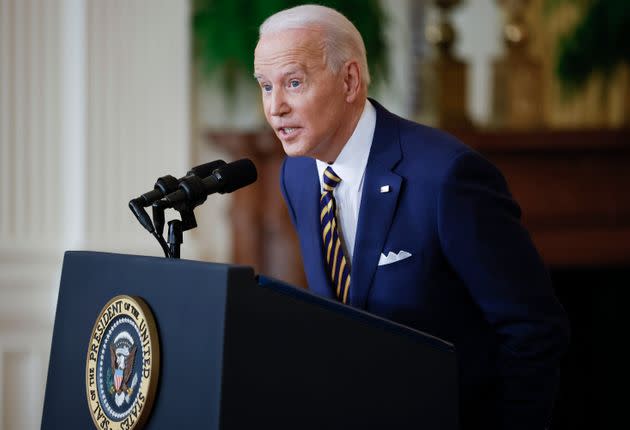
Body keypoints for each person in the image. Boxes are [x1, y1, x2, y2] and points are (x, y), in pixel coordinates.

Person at [253, 5, 570, 430]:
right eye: (266, 86)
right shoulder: (297, 174)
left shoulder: (447, 177)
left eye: (293, 83)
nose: (276, 107)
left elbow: (534, 330)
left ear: (349, 81)